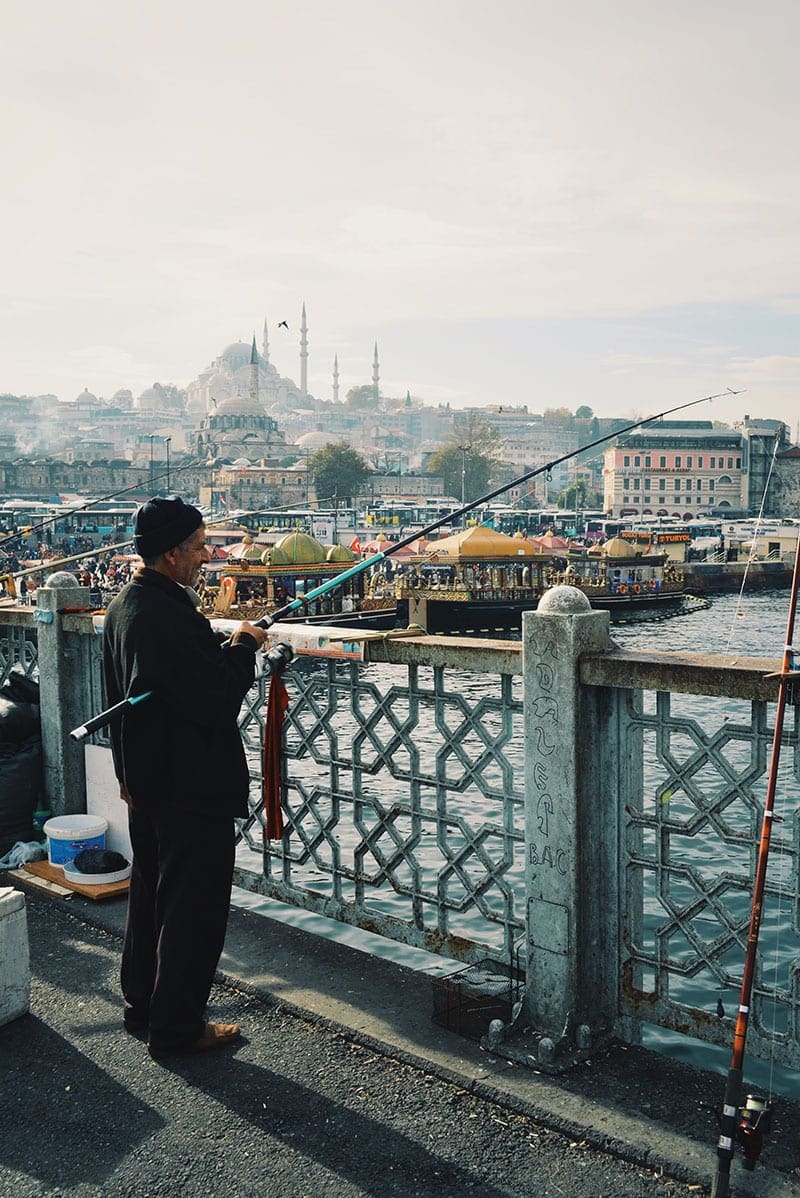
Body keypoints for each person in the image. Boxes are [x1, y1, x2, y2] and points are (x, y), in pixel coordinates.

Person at [103, 496, 269, 1058]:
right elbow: (215, 699)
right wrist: (244, 646)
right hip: (189, 789)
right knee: (190, 911)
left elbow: (148, 691)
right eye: (199, 546)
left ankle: (144, 1006)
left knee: (151, 897)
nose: (206, 555)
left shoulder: (128, 605)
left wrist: (125, 773)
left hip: (146, 784)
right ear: (172, 554)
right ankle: (177, 1029)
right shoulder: (168, 615)